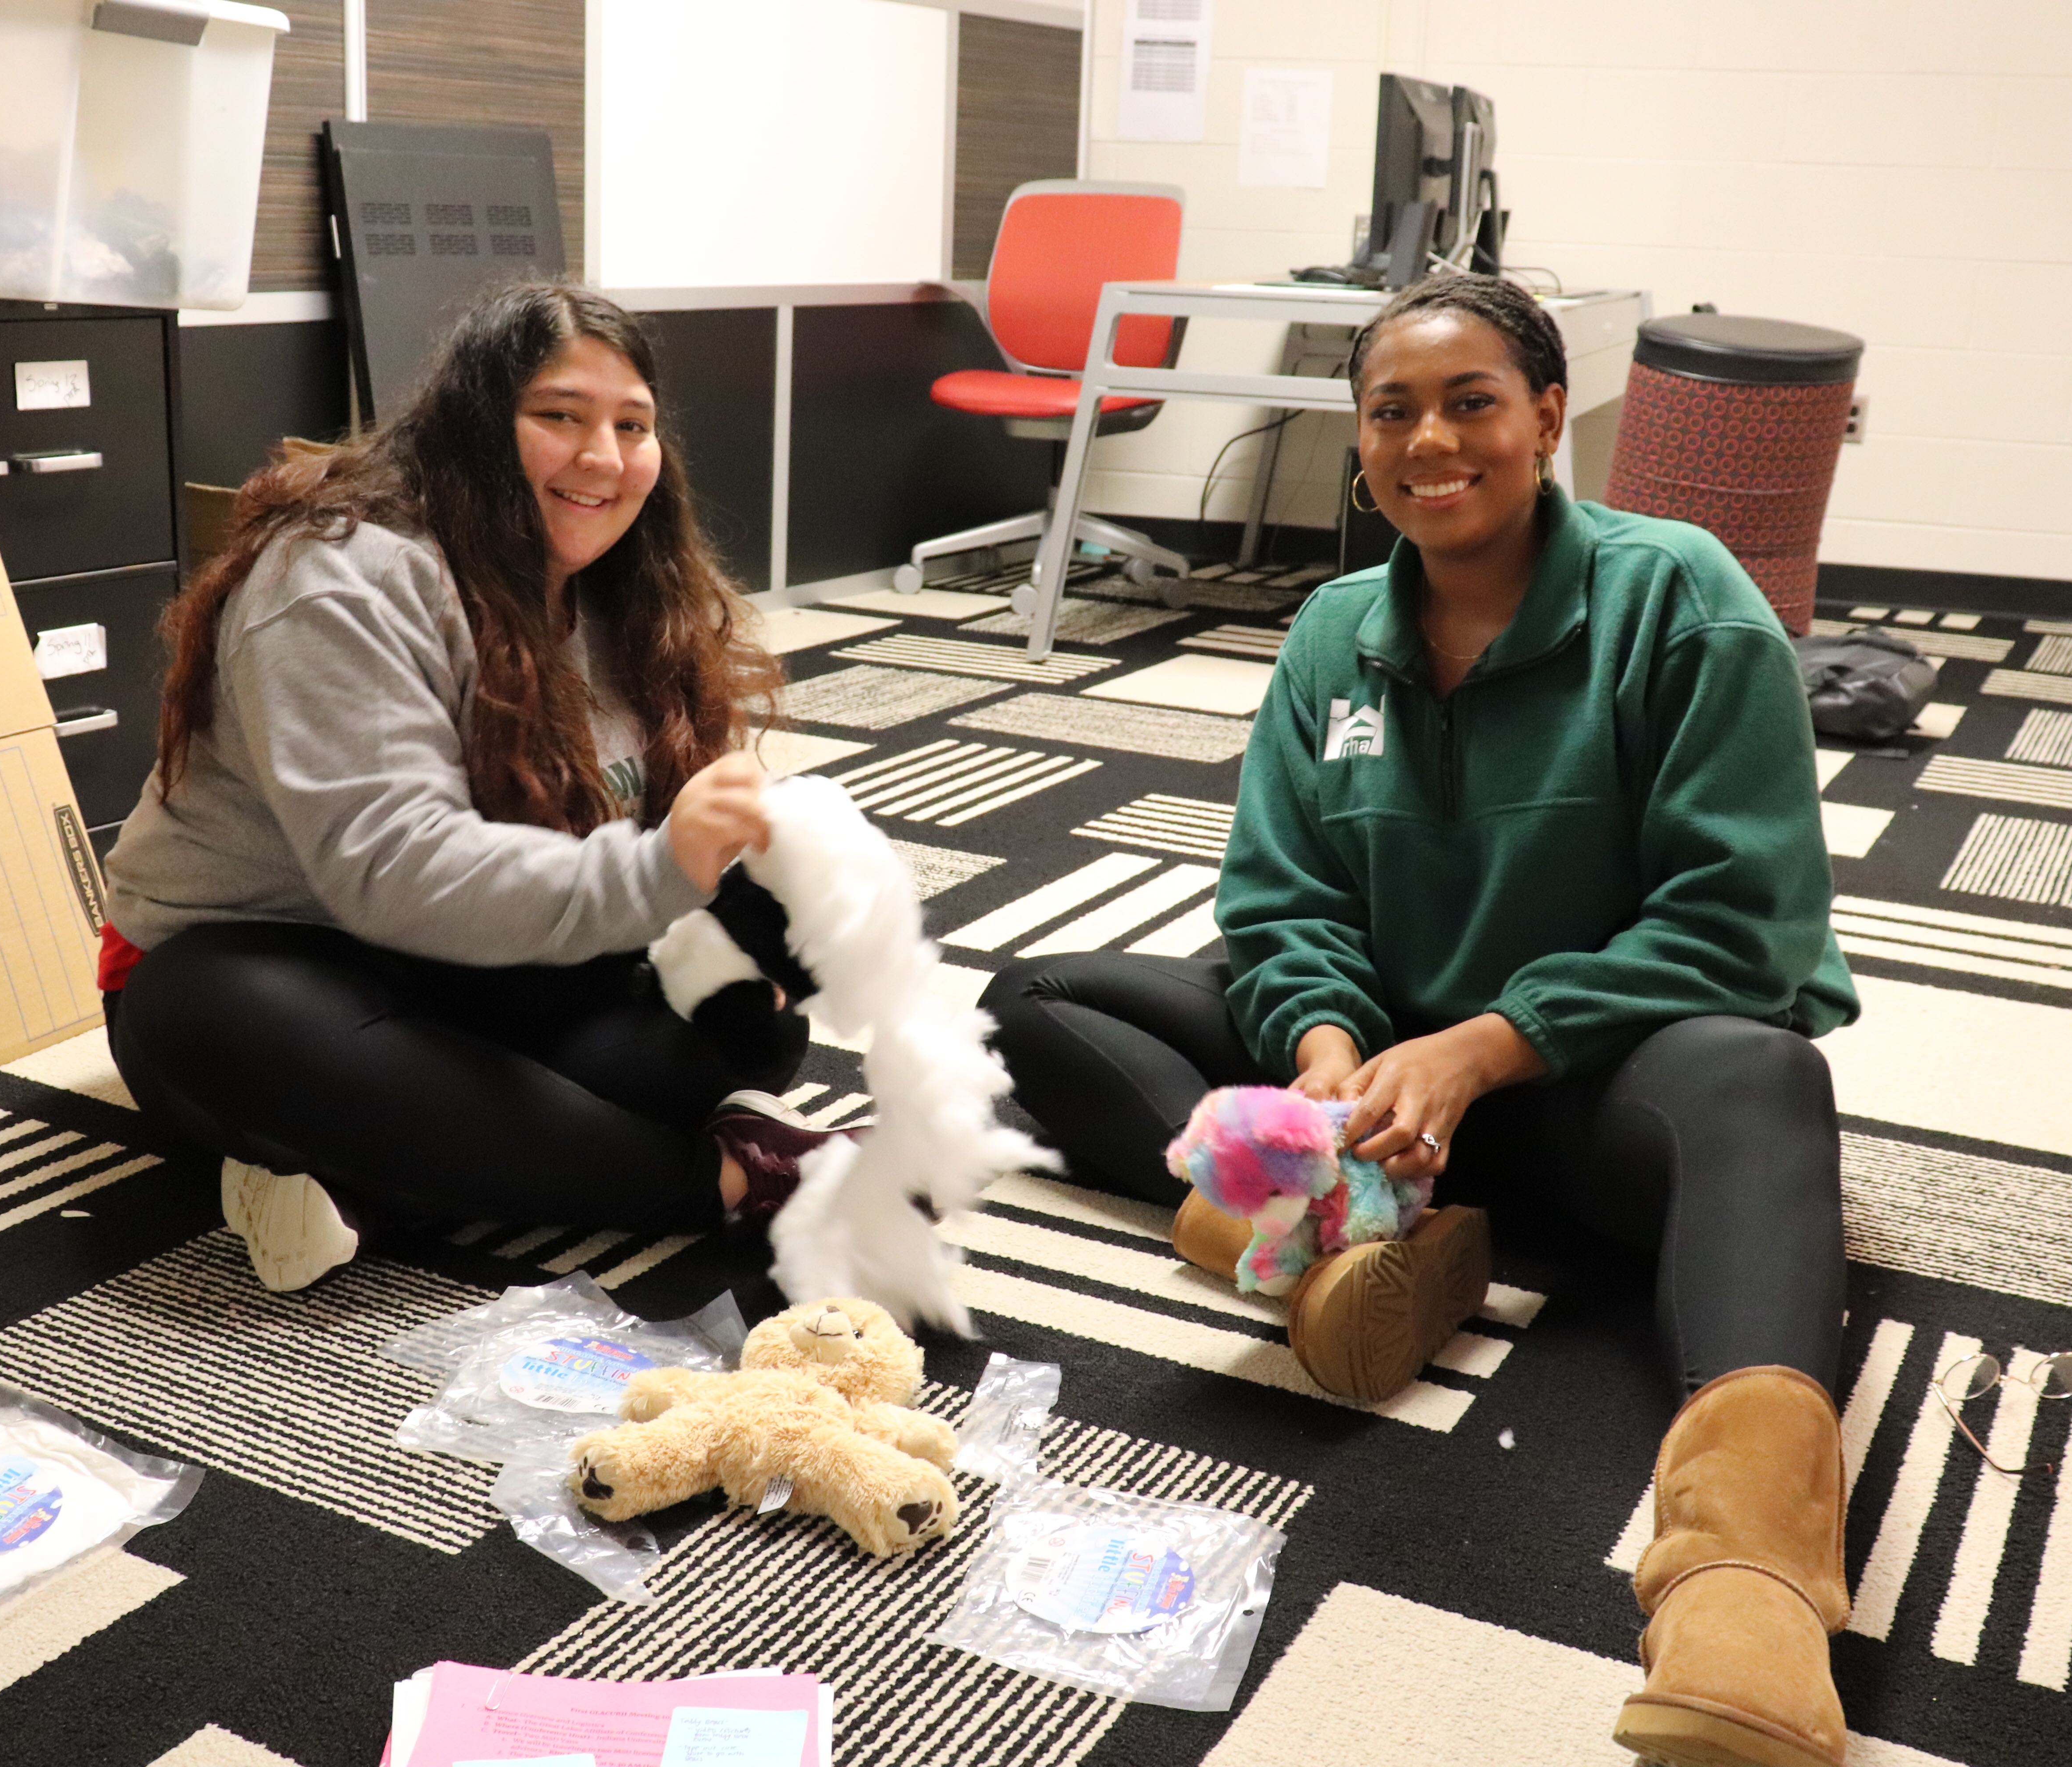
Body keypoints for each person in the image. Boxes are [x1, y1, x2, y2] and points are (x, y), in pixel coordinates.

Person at [982, 273, 1861, 1767]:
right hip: (1383, 1090)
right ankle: (1348, 1233)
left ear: (1542, 419)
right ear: (1360, 440)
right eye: (1392, 411)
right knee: (1041, 999)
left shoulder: (1683, 599)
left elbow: (1739, 925)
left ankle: (1746, 1580)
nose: (1430, 440)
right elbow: (1276, 902)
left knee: (1763, 1084)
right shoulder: (1332, 631)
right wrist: (1327, 1059)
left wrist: (1489, 1044)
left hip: (1590, 1084)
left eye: (1472, 403)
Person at [99, 283, 845, 1297]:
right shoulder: (341, 574)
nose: (605, 458)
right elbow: (395, 868)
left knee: (749, 1033)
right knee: (216, 1016)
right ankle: (728, 1179)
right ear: (474, 427)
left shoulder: (623, 585)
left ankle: (370, 1180)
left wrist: (759, 905)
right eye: (560, 417)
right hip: (263, 961)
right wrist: (664, 867)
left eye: (634, 426)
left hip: (460, 959)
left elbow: (613, 849)